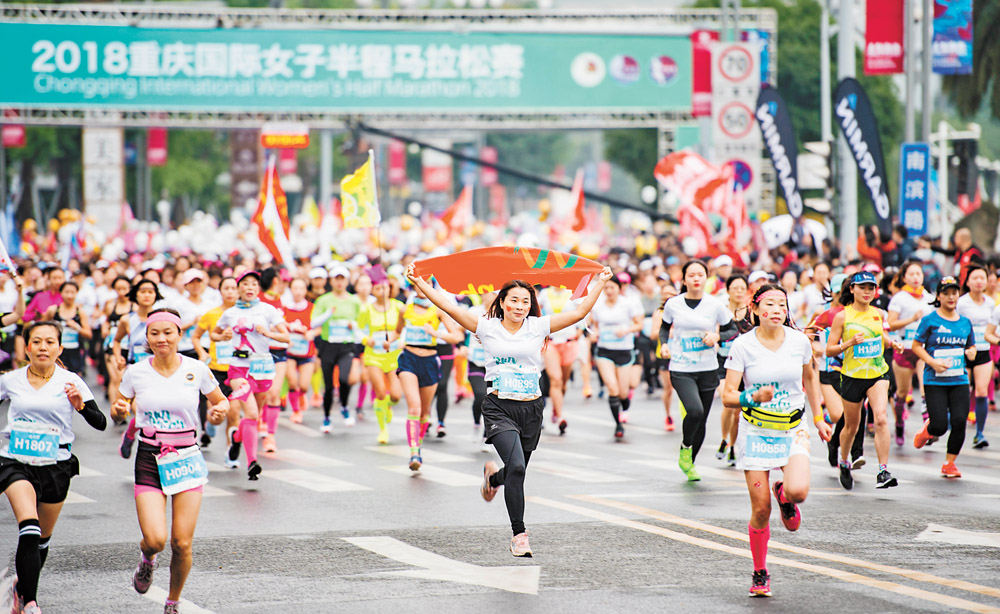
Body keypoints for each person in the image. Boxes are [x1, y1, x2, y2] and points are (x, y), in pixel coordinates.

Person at [408, 262, 613, 557]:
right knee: (516, 467)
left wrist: (601, 281)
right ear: (501, 303)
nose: (519, 306)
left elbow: (580, 313)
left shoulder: (538, 326)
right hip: (498, 406)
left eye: (525, 301)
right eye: (514, 300)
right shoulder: (486, 327)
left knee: (517, 470)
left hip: (531, 408)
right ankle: (519, 534)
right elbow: (450, 308)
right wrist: (420, 283)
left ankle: (493, 479)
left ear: (531, 305)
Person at [111, 309, 229, 614]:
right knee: (155, 539)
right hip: (150, 456)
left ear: (179, 335)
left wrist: (220, 411)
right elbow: (117, 407)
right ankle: (147, 560)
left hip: (186, 457)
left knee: (182, 543)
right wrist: (120, 410)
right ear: (147, 338)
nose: (161, 338)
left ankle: (172, 602)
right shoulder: (137, 372)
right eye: (154, 333)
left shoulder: (196, 369)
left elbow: (220, 401)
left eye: (168, 332)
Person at [722, 284, 832, 598]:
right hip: (755, 431)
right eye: (769, 304)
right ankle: (760, 572)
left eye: (781, 305)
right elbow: (727, 395)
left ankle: (784, 492)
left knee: (798, 492)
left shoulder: (799, 342)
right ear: (755, 309)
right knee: (760, 511)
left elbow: (810, 377)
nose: (776, 310)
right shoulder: (743, 346)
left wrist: (819, 417)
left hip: (792, 427)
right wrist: (751, 396)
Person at [1, 319, 105, 614]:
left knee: (42, 540)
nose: (42, 347)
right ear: (27, 346)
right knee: (29, 527)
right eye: (36, 341)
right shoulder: (11, 380)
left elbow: (101, 423)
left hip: (56, 464)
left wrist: (81, 405)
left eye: (49, 342)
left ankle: (23, 586)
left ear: (60, 346)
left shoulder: (70, 381)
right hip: (16, 461)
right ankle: (30, 602)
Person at [660, 260, 739, 481]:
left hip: (708, 368)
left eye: (700, 275)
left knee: (702, 419)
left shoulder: (715, 305)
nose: (696, 278)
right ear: (684, 279)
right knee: (693, 411)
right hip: (681, 367)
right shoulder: (673, 304)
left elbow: (732, 329)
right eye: (691, 275)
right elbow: (664, 328)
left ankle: (690, 461)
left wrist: (717, 336)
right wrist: (664, 344)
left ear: (706, 278)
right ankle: (685, 447)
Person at [825, 271, 904, 490]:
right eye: (862, 288)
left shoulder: (879, 313)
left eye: (871, 288)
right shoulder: (843, 316)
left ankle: (883, 471)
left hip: (877, 373)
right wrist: (848, 343)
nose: (867, 292)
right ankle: (843, 461)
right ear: (852, 289)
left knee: (880, 418)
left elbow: (879, 336)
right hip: (852, 376)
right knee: (851, 426)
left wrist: (892, 343)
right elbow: (829, 349)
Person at [212, 271, 289, 480]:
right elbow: (214, 334)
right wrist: (223, 336)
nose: (249, 288)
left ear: (258, 289)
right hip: (239, 368)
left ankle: (236, 438)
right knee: (252, 414)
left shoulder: (268, 310)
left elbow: (286, 337)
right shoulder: (230, 313)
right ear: (239, 289)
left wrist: (269, 333)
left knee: (253, 418)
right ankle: (252, 462)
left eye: (253, 284)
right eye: (245, 284)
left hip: (262, 369)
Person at [910, 277, 976, 478]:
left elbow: (970, 346)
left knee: (958, 421)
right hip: (935, 380)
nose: (950, 297)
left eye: (954, 293)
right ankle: (926, 430)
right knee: (939, 426)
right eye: (945, 293)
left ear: (958, 295)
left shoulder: (965, 323)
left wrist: (971, 352)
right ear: (938, 296)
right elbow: (915, 346)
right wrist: (932, 362)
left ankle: (949, 463)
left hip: (959, 380)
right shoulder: (930, 320)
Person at [394, 282, 464, 470]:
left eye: (425, 285)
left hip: (430, 361)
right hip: (408, 359)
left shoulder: (438, 310)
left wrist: (436, 333)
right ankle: (414, 453)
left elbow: (456, 336)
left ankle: (418, 443)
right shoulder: (404, 310)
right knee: (414, 407)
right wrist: (388, 343)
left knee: (424, 413)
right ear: (412, 288)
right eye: (418, 285)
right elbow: (397, 332)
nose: (421, 289)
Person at [113, 279, 165, 460]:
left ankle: (132, 432)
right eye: (143, 291)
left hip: (158, 372)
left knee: (152, 412)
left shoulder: (161, 318)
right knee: (142, 409)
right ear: (135, 295)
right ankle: (132, 438)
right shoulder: (127, 319)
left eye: (151, 291)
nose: (147, 295)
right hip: (135, 372)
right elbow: (117, 340)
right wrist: (118, 356)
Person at [192, 277, 241, 469]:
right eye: (226, 288)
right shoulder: (212, 314)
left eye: (233, 288)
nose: (230, 291)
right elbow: (197, 336)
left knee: (234, 412)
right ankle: (211, 424)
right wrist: (202, 352)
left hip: (237, 370)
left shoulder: (244, 314)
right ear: (220, 291)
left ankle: (231, 453)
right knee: (217, 415)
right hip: (216, 370)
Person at [886, 262, 935, 444]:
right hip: (904, 349)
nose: (916, 277)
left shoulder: (929, 299)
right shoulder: (899, 298)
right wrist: (911, 319)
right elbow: (890, 324)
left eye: (919, 273)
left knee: (925, 389)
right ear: (904, 277)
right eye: (912, 273)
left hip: (922, 350)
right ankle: (899, 423)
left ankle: (927, 429)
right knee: (901, 393)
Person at [588, 276, 643, 438]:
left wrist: (626, 330)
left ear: (619, 289)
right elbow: (594, 324)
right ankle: (618, 424)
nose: (609, 291)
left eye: (612, 288)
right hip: (605, 351)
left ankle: (624, 407)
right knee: (612, 387)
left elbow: (638, 324)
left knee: (623, 393)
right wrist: (595, 333)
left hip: (624, 350)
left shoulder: (627, 304)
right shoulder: (598, 306)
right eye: (607, 288)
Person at [312, 266, 363, 432]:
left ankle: (345, 406)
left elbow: (361, 325)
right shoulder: (324, 300)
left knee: (344, 379)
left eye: (343, 279)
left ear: (347, 281)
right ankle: (326, 417)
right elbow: (313, 323)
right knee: (328, 387)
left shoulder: (354, 301)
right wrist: (327, 314)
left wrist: (353, 326)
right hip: (328, 346)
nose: (340, 282)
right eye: (336, 278)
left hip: (346, 345)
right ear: (331, 281)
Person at [357, 267, 403, 444]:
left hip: (394, 355)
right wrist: (365, 339)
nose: (382, 291)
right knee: (381, 393)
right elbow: (358, 330)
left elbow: (404, 328)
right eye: (377, 288)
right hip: (373, 356)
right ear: (372, 290)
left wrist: (401, 341)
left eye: (385, 288)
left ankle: (387, 408)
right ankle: (383, 429)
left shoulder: (399, 307)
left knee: (396, 396)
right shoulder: (366, 309)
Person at [956, 265, 994, 449]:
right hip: (963, 352)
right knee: (963, 391)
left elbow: (994, 327)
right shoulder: (961, 303)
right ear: (968, 282)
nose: (979, 281)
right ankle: (955, 424)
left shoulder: (991, 303)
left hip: (984, 351)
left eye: (982, 278)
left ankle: (979, 433)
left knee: (981, 391)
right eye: (975, 278)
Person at [716, 274, 751, 466]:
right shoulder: (720, 312)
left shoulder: (751, 313)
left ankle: (732, 445)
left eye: (742, 288)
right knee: (728, 403)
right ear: (728, 290)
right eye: (735, 288)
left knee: (737, 411)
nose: (739, 291)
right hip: (722, 363)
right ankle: (723, 438)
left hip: (743, 366)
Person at [283, 277, 319, 427]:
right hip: (289, 351)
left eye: (301, 288)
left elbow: (320, 326)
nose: (297, 292)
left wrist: (312, 333)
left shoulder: (312, 308)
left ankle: (302, 395)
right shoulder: (285, 308)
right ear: (290, 289)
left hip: (306, 352)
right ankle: (296, 410)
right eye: (295, 288)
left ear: (306, 290)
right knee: (292, 381)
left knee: (303, 385)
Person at [42, 282, 91, 376]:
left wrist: (77, 328)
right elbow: (41, 328)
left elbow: (88, 334)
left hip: (75, 351)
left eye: (73, 292)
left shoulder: (80, 312)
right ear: (61, 293)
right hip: (57, 351)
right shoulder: (53, 310)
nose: (70, 295)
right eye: (67, 292)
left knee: (73, 379)